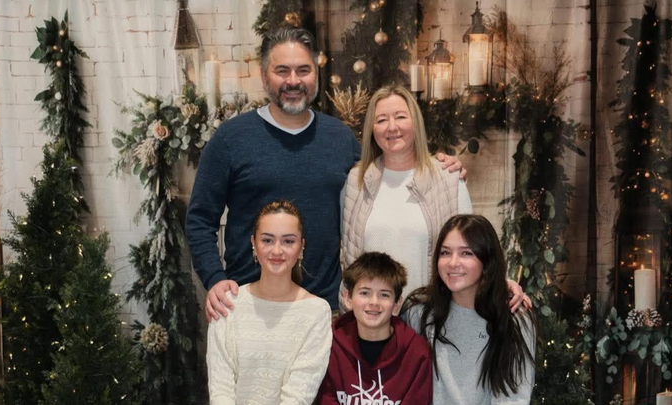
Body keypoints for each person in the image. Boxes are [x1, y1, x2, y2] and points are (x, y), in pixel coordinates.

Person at [186, 27, 463, 321]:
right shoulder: (231, 138)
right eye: (282, 71)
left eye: (303, 70)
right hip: (248, 306)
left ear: (316, 74)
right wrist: (214, 278)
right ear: (264, 76)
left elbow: (389, 176)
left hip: (325, 311)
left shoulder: (340, 138)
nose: (294, 81)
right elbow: (200, 218)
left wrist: (438, 165)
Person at [341, 84, 527, 312]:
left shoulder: (448, 178)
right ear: (372, 128)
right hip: (371, 322)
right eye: (381, 120)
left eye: (400, 117)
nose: (392, 127)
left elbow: (472, 248)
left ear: (416, 123)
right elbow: (348, 259)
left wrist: (501, 283)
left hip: (430, 319)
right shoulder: (356, 181)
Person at [400, 215, 536, 405]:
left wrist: (500, 285)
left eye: (466, 253)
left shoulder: (514, 318)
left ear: (487, 260)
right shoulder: (419, 312)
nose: (453, 262)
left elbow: (515, 397)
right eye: (445, 253)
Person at [206, 200, 332, 405]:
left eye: (288, 241)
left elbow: (298, 396)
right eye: (267, 240)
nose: (277, 251)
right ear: (253, 244)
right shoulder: (227, 304)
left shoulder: (316, 312)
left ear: (301, 247)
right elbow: (220, 389)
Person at [318, 252, 432, 405]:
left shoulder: (417, 353)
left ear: (397, 303)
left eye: (384, 295)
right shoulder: (330, 346)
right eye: (365, 293)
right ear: (348, 298)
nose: (374, 302)